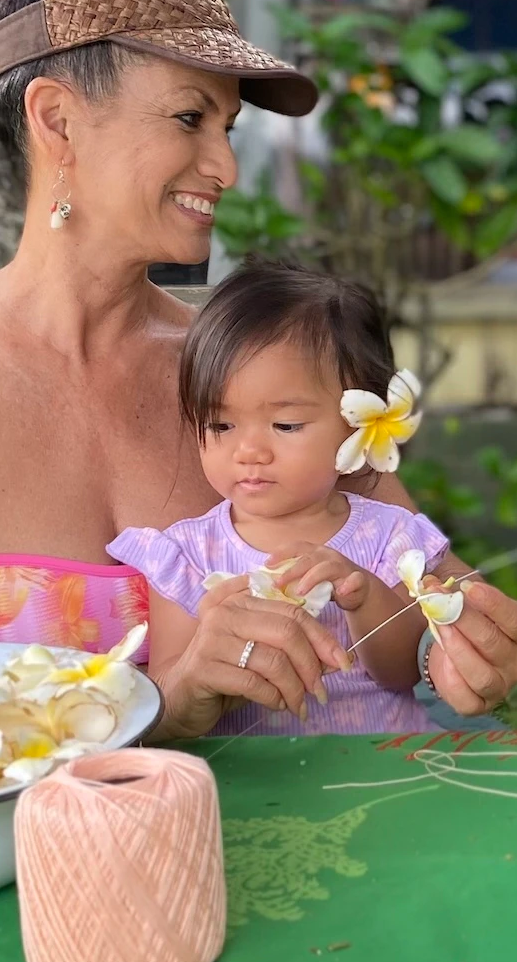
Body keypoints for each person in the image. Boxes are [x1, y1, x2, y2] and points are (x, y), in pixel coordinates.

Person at [0, 0, 517, 736]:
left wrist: (468, 646)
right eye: (190, 118)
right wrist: (172, 703)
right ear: (57, 122)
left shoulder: (252, 371)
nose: (225, 165)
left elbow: (424, 593)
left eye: (227, 125)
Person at [109, 260, 455, 735]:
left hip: (381, 773)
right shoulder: (187, 556)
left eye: (286, 425)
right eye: (221, 425)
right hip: (248, 788)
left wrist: (362, 594)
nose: (249, 451)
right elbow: (168, 689)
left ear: (358, 423)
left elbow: (402, 672)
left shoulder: (389, 536)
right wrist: (203, 662)